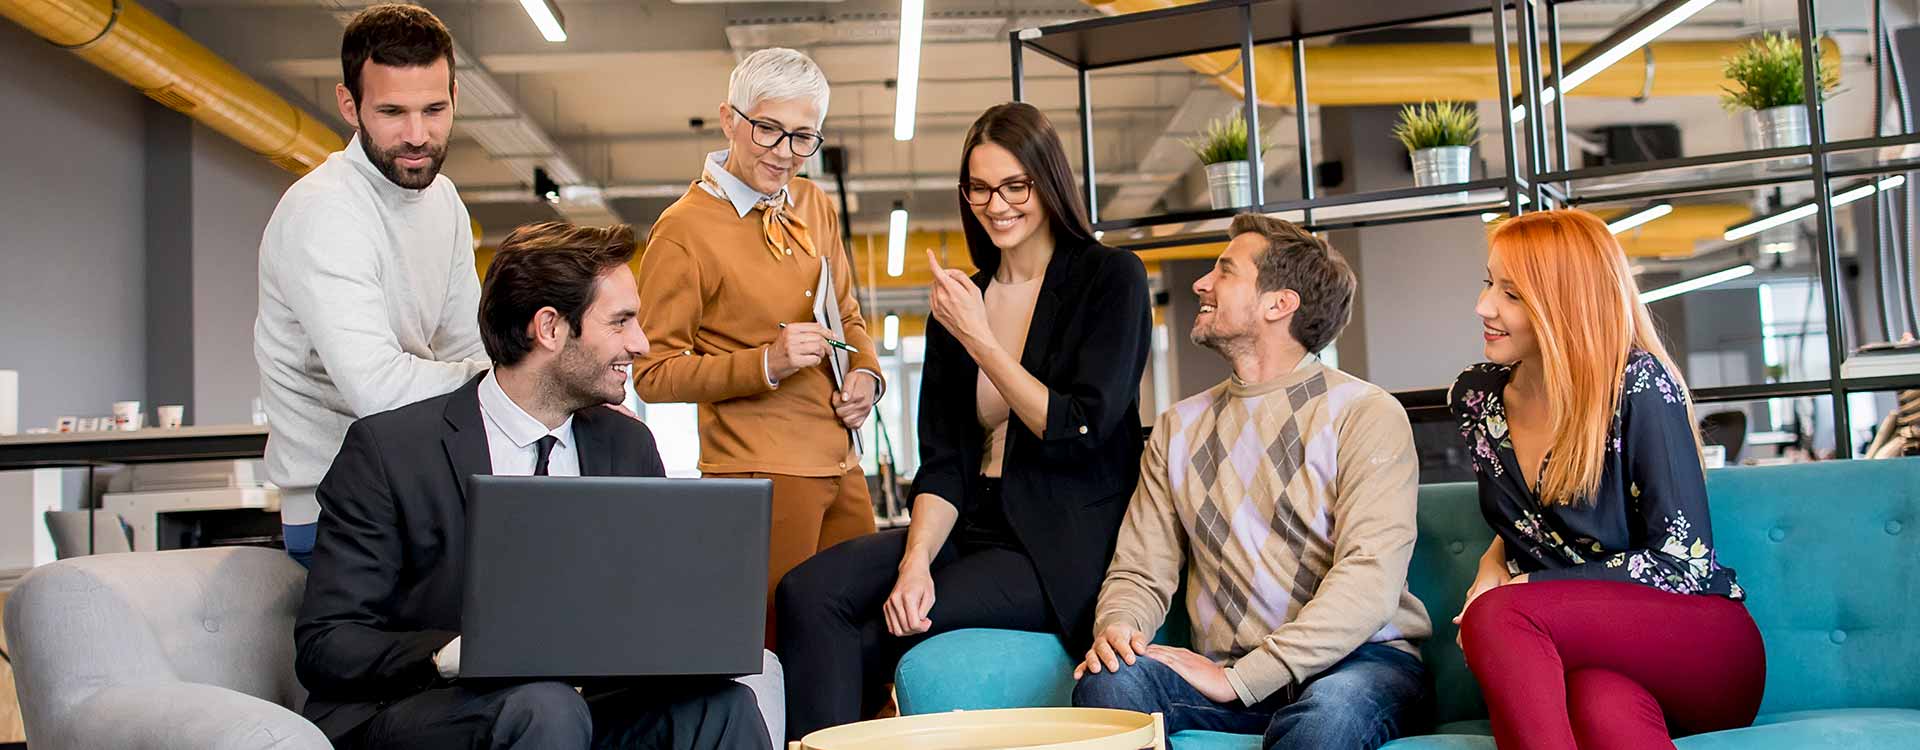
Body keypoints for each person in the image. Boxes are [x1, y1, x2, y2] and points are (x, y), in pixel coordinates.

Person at [295, 222, 770, 750]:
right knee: (545, 707)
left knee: (724, 707)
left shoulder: (626, 445)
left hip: (579, 706)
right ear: (549, 328)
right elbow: (327, 643)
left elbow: (649, 604)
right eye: (621, 322)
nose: (640, 344)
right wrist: (452, 652)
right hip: (427, 706)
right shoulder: (390, 452)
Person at [776, 102, 1153, 739]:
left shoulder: (1110, 278)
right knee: (807, 592)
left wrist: (980, 336)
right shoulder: (961, 302)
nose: (995, 205)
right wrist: (916, 560)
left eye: (1014, 186)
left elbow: (1080, 428)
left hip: (1059, 546)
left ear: (1047, 182)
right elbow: (945, 460)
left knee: (875, 632)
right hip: (973, 523)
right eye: (979, 188)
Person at [1070, 213, 1432, 750]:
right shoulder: (1177, 426)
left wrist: (1244, 677)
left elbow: (1368, 580)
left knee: (1327, 719)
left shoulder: (1364, 412)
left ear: (1278, 304)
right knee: (1109, 686)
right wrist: (1119, 629)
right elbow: (1141, 569)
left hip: (1359, 664)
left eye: (1224, 270)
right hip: (1227, 677)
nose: (1201, 284)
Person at [1450, 209, 1763, 749]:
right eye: (1489, 283)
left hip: (1698, 643)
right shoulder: (1478, 397)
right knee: (1598, 707)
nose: (1484, 306)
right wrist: (1493, 560)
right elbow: (1535, 514)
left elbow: (1682, 562)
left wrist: (1526, 587)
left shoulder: (1638, 383)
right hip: (1591, 661)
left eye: (1512, 293)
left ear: (1565, 303)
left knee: (1497, 616)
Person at [634, 48, 881, 645]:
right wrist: (765, 364)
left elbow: (847, 313)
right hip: (756, 475)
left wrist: (867, 376)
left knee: (865, 645)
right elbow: (650, 372)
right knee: (770, 648)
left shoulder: (815, 204)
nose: (784, 152)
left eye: (803, 137)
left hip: (843, 463)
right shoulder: (683, 230)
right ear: (729, 119)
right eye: (767, 129)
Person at [255, 3, 488, 568]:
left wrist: (518, 386)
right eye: (391, 112)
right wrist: (522, 386)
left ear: (455, 96)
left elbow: (468, 345)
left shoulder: (444, 202)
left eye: (434, 109)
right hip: (339, 510)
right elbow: (377, 390)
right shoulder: (324, 210)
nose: (417, 135)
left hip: (423, 489)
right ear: (349, 105)